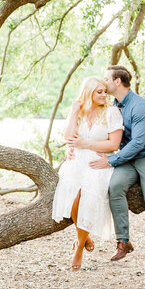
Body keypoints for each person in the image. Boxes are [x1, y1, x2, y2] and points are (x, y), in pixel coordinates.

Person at [86, 65, 145, 286]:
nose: (103, 83)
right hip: (128, 160)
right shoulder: (114, 105)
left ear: (117, 82)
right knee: (114, 187)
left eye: (106, 79)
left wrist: (111, 160)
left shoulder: (141, 107)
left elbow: (137, 143)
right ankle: (123, 241)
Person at [51, 76, 123, 270]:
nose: (103, 95)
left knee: (88, 196)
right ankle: (85, 237)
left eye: (104, 92)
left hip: (100, 161)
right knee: (73, 198)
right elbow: (68, 137)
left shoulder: (111, 112)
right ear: (88, 92)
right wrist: (74, 112)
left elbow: (114, 144)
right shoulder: (80, 111)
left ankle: (79, 248)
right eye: (99, 92)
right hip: (77, 160)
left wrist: (87, 144)